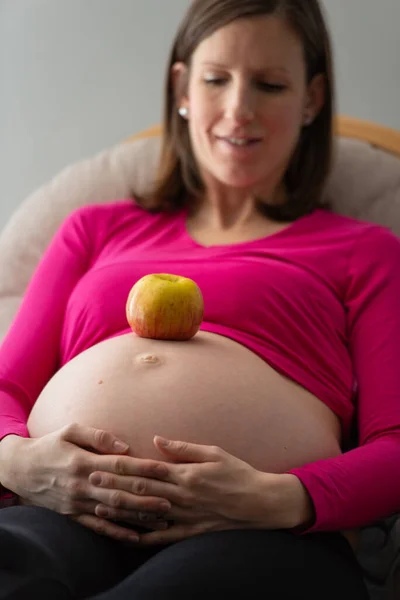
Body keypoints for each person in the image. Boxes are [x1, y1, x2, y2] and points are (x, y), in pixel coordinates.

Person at [0, 0, 398, 598]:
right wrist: (19, 464)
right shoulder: (93, 229)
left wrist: (278, 498)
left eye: (269, 84)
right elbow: (6, 386)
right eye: (217, 79)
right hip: (60, 511)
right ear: (182, 86)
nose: (239, 109)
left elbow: (394, 442)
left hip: (260, 536)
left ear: (312, 99)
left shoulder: (366, 250)